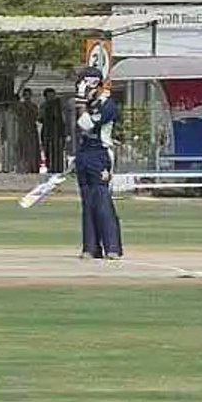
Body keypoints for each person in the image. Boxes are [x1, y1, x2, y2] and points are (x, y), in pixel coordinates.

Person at [74, 66, 123, 260]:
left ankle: (112, 247)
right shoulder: (90, 104)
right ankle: (91, 247)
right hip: (85, 154)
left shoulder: (107, 105)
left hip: (101, 154)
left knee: (101, 199)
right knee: (87, 202)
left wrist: (81, 102)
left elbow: (86, 124)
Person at [40, 87, 66, 173]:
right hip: (47, 131)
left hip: (59, 131)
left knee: (58, 151)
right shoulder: (44, 106)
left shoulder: (59, 105)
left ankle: (58, 169)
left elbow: (63, 117)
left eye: (52, 96)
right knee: (48, 150)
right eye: (49, 96)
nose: (51, 98)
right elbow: (40, 118)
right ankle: (50, 168)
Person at [15, 88, 40, 173]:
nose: (27, 96)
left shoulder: (33, 106)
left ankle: (32, 167)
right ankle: (23, 167)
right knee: (23, 149)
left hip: (32, 130)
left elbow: (36, 116)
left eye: (28, 94)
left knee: (32, 149)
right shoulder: (20, 106)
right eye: (25, 95)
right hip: (23, 129)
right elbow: (18, 116)